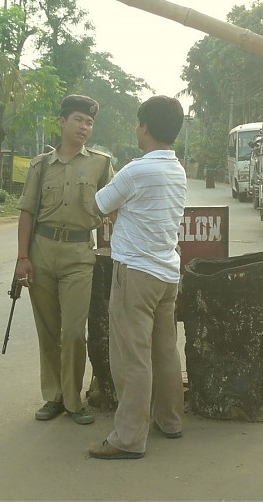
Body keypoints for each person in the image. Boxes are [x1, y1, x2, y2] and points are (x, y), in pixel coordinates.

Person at [87, 95, 187, 459]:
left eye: (137, 123)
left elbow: (98, 205)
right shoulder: (176, 169)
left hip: (136, 274)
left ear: (145, 127)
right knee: (164, 351)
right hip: (166, 273)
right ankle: (170, 420)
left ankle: (128, 438)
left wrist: (117, 212)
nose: (136, 129)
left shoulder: (136, 170)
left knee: (132, 356)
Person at [15, 95, 114, 425]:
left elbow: (112, 210)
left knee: (73, 332)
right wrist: (22, 258)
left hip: (78, 256)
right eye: (78, 120)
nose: (84, 127)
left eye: (89, 123)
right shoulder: (40, 165)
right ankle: (54, 396)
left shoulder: (100, 164)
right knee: (48, 332)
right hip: (41, 252)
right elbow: (27, 212)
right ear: (62, 122)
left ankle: (74, 400)